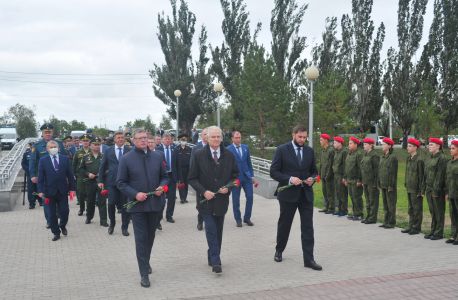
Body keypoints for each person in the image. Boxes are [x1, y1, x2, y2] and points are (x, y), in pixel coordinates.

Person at [117, 128, 169, 288]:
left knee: (150, 237)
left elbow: (165, 177)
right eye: (139, 138)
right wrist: (135, 194)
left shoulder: (157, 156)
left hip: (154, 204)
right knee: (141, 239)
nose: (143, 140)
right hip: (138, 206)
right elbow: (121, 183)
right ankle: (144, 274)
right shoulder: (126, 159)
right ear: (133, 141)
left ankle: (146, 262)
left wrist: (162, 187)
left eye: (145, 138)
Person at [270, 125, 321, 271]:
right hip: (288, 195)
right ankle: (279, 249)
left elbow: (314, 171)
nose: (302, 140)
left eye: (305, 137)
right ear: (293, 135)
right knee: (285, 225)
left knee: (308, 228)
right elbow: (273, 172)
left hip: (306, 195)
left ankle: (309, 259)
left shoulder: (309, 151)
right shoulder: (281, 150)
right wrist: (290, 179)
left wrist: (312, 178)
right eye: (300, 137)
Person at [188, 126, 239, 273]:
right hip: (205, 201)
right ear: (207, 138)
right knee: (210, 230)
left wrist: (228, 188)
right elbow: (192, 178)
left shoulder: (228, 155)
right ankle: (216, 261)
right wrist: (203, 192)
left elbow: (235, 176)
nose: (216, 139)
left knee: (218, 231)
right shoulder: (199, 154)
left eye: (218, 137)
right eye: (213, 137)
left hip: (221, 201)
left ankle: (212, 255)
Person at [37, 140, 76, 241]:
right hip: (49, 191)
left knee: (64, 211)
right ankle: (56, 232)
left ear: (58, 148)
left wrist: (72, 189)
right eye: (51, 147)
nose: (53, 149)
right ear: (47, 149)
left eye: (55, 147)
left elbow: (70, 175)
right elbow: (40, 177)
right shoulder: (43, 160)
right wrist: (40, 190)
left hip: (62, 190)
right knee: (52, 213)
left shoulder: (65, 159)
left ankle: (62, 225)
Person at [29, 123, 67, 228]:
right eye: (46, 132)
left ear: (52, 133)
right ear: (42, 133)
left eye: (49, 132)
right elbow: (32, 161)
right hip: (46, 179)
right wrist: (33, 175)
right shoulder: (36, 146)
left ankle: (59, 218)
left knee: (60, 200)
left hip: (59, 178)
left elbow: (65, 159)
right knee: (47, 201)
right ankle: (50, 220)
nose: (48, 134)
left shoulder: (58, 143)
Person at [98, 131, 131, 236]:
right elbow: (102, 166)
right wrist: (100, 181)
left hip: (125, 183)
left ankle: (124, 227)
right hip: (112, 182)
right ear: (114, 139)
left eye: (122, 137)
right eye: (119, 137)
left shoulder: (129, 151)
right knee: (111, 203)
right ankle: (112, 223)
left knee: (125, 206)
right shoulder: (108, 151)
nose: (121, 139)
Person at [227, 131, 255, 227]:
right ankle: (238, 219)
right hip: (236, 179)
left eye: (239, 137)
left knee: (250, 197)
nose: (238, 139)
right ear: (232, 138)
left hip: (247, 177)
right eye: (236, 138)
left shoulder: (245, 148)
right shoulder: (228, 149)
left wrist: (252, 176)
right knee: (236, 200)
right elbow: (227, 166)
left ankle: (247, 218)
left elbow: (249, 163)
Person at [78, 137, 108, 227]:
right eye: (95, 144)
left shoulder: (103, 156)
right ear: (91, 145)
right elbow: (81, 169)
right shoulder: (86, 157)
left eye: (98, 144)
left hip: (101, 181)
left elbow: (108, 169)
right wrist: (88, 174)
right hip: (90, 181)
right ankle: (89, 217)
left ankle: (103, 220)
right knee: (90, 200)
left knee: (102, 201)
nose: (97, 146)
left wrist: (103, 174)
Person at [423, 138, 447, 240]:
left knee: (439, 211)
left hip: (437, 190)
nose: (430, 146)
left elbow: (440, 176)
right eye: (429, 144)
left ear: (438, 146)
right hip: (429, 188)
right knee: (432, 211)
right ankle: (433, 230)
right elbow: (426, 174)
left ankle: (439, 232)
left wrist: (436, 190)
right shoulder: (431, 158)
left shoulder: (442, 158)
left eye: (432, 145)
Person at [401, 139, 424, 234]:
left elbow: (421, 176)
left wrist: (420, 190)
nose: (408, 148)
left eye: (410, 146)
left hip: (416, 189)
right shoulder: (409, 159)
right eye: (408, 146)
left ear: (415, 147)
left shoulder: (419, 160)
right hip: (410, 187)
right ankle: (411, 226)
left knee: (417, 209)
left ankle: (416, 228)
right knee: (410, 208)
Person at [158, 133, 182, 224]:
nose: (168, 140)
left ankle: (169, 215)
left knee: (171, 198)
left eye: (169, 139)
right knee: (161, 198)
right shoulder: (158, 150)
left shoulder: (175, 150)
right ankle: (158, 216)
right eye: (166, 139)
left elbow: (178, 165)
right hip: (161, 177)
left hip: (172, 176)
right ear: (162, 140)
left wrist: (179, 178)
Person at [377, 138, 398, 229]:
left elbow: (393, 173)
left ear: (389, 146)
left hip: (389, 185)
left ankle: (391, 222)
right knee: (385, 204)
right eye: (382, 144)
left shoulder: (392, 157)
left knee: (390, 204)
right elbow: (380, 171)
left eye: (384, 144)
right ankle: (386, 221)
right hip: (383, 183)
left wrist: (391, 185)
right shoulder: (382, 156)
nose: (383, 146)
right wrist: (379, 183)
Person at [147, 135, 167, 230]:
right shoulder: (142, 154)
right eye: (149, 142)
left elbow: (164, 169)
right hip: (147, 186)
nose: (150, 144)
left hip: (159, 185)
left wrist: (162, 185)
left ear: (156, 144)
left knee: (162, 204)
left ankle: (158, 221)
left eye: (152, 142)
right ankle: (151, 223)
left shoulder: (160, 154)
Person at [190, 127, 208, 230]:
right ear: (201, 136)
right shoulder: (196, 148)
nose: (206, 136)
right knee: (201, 201)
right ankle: (200, 221)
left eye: (207, 134)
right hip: (200, 181)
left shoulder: (214, 147)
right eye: (204, 134)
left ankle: (209, 220)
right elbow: (192, 165)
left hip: (211, 180)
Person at [360, 138, 380, 225]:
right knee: (367, 200)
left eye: (365, 144)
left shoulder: (374, 155)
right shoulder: (365, 155)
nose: (364, 145)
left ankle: (372, 217)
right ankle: (368, 216)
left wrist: (376, 182)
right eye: (363, 144)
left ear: (371, 145)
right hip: (366, 180)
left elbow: (376, 170)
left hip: (372, 181)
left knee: (373, 200)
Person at [344, 137, 364, 221]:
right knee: (352, 196)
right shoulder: (349, 154)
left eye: (351, 143)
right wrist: (345, 178)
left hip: (356, 179)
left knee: (357, 197)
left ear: (356, 145)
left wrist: (360, 180)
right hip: (349, 179)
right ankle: (355, 213)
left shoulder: (358, 154)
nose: (349, 145)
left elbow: (360, 168)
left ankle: (359, 214)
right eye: (349, 143)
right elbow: (346, 167)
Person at [73, 134, 92, 215]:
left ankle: (89, 209)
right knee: (81, 192)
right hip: (80, 175)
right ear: (81, 142)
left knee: (90, 193)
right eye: (84, 141)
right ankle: (81, 208)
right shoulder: (78, 152)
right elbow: (74, 164)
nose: (85, 142)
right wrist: (73, 174)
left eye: (87, 141)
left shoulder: (93, 151)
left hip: (91, 175)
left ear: (89, 142)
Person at [318, 134, 335, 214]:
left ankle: (331, 208)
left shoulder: (331, 151)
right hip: (323, 175)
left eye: (321, 140)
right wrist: (320, 174)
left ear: (326, 140)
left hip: (329, 176)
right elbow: (322, 164)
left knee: (330, 192)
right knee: (325, 191)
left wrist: (328, 175)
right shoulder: (323, 151)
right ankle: (327, 206)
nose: (320, 142)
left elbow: (331, 164)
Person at [445, 140, 458, 245]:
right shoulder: (449, 162)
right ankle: (453, 236)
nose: (451, 150)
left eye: (453, 148)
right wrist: (447, 192)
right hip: (452, 192)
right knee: (453, 215)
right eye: (451, 148)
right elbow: (447, 179)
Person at [332, 137, 348, 217]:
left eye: (335, 142)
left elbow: (345, 165)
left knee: (342, 193)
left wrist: (344, 176)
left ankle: (344, 210)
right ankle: (340, 209)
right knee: (337, 192)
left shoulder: (344, 152)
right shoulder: (337, 152)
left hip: (341, 174)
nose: (334, 144)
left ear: (340, 143)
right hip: (336, 174)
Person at [22, 141, 41, 209]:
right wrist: (28, 169)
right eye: (31, 147)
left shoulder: (38, 153)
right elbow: (23, 163)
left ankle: (40, 200)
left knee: (39, 187)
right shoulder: (26, 154)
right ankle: (32, 203)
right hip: (29, 174)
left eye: (33, 147)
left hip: (39, 173)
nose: (32, 148)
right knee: (31, 189)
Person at [177, 134, 192, 204]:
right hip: (179, 169)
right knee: (181, 183)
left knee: (186, 184)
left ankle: (185, 197)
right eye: (182, 140)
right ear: (179, 141)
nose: (184, 141)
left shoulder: (189, 149)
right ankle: (182, 198)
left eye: (185, 140)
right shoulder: (177, 149)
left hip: (187, 169)